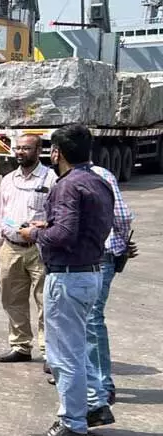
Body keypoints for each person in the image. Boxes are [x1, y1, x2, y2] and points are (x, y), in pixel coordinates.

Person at [18, 126, 113, 436]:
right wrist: (52, 224)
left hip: (68, 276)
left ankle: (72, 422)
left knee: (63, 354)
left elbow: (65, 236)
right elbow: (83, 226)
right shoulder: (99, 181)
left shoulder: (67, 186)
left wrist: (36, 234)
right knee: (77, 345)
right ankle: (94, 404)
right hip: (91, 272)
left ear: (56, 153)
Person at [0, 134, 56, 362]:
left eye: (26, 149)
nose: (20, 152)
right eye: (18, 148)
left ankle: (49, 354)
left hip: (40, 249)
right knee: (12, 299)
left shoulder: (51, 179)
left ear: (38, 151)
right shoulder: (8, 180)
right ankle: (21, 346)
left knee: (46, 302)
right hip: (11, 247)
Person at [85, 164, 135, 408]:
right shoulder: (68, 176)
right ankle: (89, 378)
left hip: (100, 256)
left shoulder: (99, 175)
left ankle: (103, 386)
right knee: (82, 321)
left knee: (92, 319)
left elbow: (123, 216)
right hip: (82, 257)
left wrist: (120, 244)